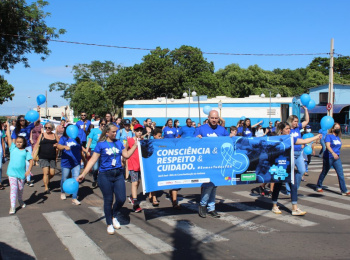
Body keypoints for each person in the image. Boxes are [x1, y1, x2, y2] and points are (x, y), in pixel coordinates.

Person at [77, 123, 138, 235]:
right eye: (113, 132)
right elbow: (92, 160)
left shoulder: (118, 143)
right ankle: (109, 223)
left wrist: (135, 145)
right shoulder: (101, 145)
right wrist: (83, 173)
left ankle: (114, 215)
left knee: (121, 198)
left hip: (118, 174)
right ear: (107, 133)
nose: (115, 133)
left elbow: (127, 155)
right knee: (108, 200)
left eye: (116, 131)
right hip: (105, 175)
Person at [270, 122, 322, 216]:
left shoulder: (290, 138)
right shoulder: (276, 139)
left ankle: (294, 208)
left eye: (289, 128)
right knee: (277, 186)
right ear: (281, 130)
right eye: (286, 129)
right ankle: (274, 205)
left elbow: (303, 141)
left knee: (293, 186)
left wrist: (316, 137)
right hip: (279, 166)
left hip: (289, 165)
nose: (289, 130)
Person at [195, 110, 229, 218]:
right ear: (208, 118)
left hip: (218, 161)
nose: (214, 120)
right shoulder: (201, 128)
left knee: (214, 185)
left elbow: (228, 141)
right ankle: (203, 205)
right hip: (206, 161)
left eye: (216, 118)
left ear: (218, 118)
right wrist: (197, 139)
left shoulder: (222, 130)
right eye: (212, 118)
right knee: (209, 184)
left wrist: (232, 137)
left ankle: (211, 208)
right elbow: (192, 141)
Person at [5, 121, 33, 214]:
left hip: (21, 174)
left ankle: (20, 200)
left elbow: (31, 161)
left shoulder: (26, 152)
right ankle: (12, 207)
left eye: (20, 142)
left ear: (23, 143)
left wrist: (28, 170)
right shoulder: (12, 148)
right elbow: (8, 137)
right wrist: (8, 126)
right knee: (13, 189)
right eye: (17, 142)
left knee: (20, 189)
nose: (19, 143)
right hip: (12, 173)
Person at [316, 123, 350, 195]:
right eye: (336, 127)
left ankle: (344, 190)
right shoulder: (329, 136)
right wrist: (333, 153)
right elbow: (327, 146)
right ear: (333, 129)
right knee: (324, 172)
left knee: (340, 174)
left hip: (336, 158)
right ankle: (319, 185)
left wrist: (336, 153)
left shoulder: (338, 137)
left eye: (339, 127)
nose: (338, 129)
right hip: (328, 157)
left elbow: (339, 146)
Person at [57, 124, 86, 204]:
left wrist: (85, 161)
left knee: (76, 179)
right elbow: (58, 146)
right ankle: (63, 192)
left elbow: (80, 151)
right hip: (66, 162)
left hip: (76, 163)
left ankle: (74, 197)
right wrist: (64, 147)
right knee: (64, 178)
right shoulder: (64, 138)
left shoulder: (77, 139)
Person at [12, 109, 40, 187]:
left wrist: (38, 112)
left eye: (24, 120)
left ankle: (28, 180)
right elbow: (14, 140)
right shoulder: (16, 130)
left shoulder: (28, 127)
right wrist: (13, 149)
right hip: (19, 148)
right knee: (19, 164)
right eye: (21, 120)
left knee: (28, 163)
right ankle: (19, 178)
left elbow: (37, 122)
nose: (22, 121)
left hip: (27, 147)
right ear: (18, 121)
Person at [33, 122, 59, 194]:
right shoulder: (42, 135)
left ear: (52, 128)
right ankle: (46, 187)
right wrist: (33, 154)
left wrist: (56, 145)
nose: (47, 129)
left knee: (52, 173)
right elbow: (37, 144)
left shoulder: (54, 135)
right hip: (43, 156)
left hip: (52, 157)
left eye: (49, 128)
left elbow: (60, 144)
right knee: (46, 172)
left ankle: (47, 180)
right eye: (46, 127)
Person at [286, 108, 309, 190]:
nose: (296, 123)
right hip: (290, 153)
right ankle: (289, 189)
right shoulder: (287, 129)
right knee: (289, 172)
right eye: (295, 121)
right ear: (291, 121)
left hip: (299, 153)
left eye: (297, 121)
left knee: (302, 171)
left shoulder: (298, 127)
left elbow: (306, 121)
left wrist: (306, 110)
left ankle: (295, 187)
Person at [126, 124, 144, 212]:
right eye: (137, 130)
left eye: (141, 130)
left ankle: (132, 196)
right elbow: (125, 150)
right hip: (132, 164)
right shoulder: (129, 140)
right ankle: (135, 203)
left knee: (138, 181)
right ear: (134, 131)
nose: (139, 132)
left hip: (140, 165)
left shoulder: (143, 140)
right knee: (135, 182)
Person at [85, 118, 106, 187]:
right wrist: (87, 150)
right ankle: (95, 179)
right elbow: (90, 140)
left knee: (102, 167)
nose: (103, 126)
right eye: (102, 124)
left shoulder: (106, 133)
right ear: (100, 124)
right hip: (94, 150)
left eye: (104, 125)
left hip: (103, 151)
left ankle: (100, 181)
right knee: (95, 168)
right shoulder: (94, 131)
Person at [0, 121, 6, 190]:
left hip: (0, 151)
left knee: (0, 167)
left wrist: (4, 152)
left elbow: (2, 142)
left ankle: (0, 183)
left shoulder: (1, 130)